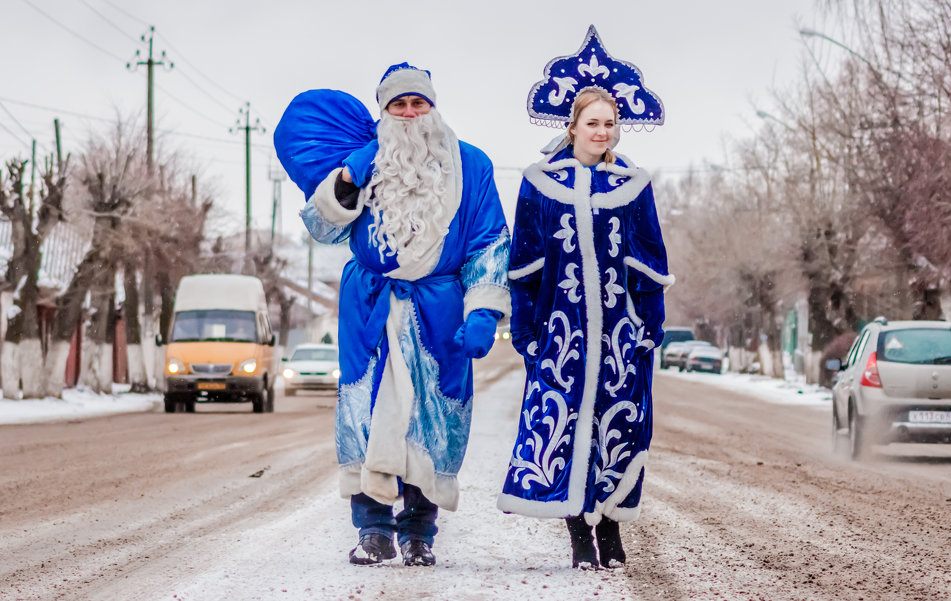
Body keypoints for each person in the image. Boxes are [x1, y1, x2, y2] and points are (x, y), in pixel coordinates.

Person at [274, 63, 511, 567]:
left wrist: (484, 308)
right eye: (398, 105)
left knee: (430, 421)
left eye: (417, 103)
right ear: (383, 111)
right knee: (367, 416)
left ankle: (420, 532)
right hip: (371, 308)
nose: (408, 113)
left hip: (438, 310)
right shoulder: (363, 162)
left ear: (433, 107)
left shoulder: (471, 165)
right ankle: (373, 531)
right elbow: (324, 229)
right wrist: (345, 181)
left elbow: (489, 240)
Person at [498, 26, 672, 569]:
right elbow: (524, 267)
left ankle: (613, 531)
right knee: (567, 426)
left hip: (621, 337)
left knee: (619, 426)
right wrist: (526, 332)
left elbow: (650, 266)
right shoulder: (538, 183)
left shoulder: (634, 185)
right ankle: (578, 535)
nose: (603, 131)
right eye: (593, 123)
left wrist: (649, 329)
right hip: (562, 334)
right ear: (572, 127)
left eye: (610, 123)